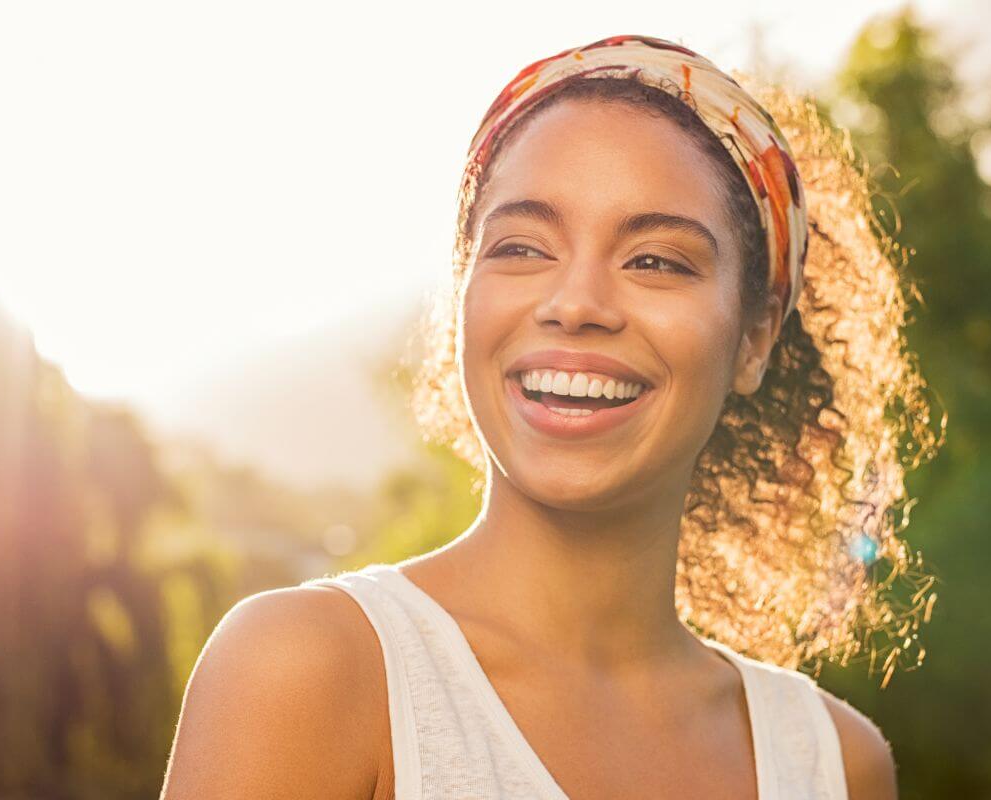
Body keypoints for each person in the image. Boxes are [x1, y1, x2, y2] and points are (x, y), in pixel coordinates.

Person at [162, 33, 941, 800]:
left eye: (656, 261)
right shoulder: (306, 670)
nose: (575, 305)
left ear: (755, 337)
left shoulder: (834, 764)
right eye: (522, 247)